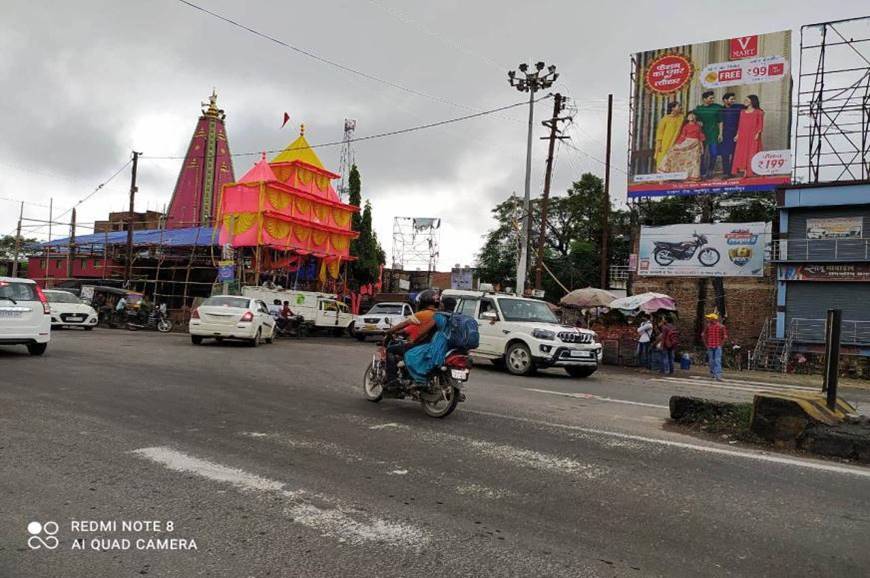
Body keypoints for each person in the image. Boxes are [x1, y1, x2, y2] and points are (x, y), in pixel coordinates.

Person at [383, 290, 440, 387]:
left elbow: (403, 324)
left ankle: (392, 381)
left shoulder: (423, 314)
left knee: (390, 350)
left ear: (422, 302)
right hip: (434, 346)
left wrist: (388, 331)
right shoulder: (441, 315)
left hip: (421, 345)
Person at [658, 112, 704, 180]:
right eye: (689, 115)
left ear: (695, 117)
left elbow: (700, 137)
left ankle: (693, 176)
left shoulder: (698, 126)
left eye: (693, 115)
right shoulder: (686, 126)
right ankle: (667, 170)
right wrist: (677, 144)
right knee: (673, 151)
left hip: (695, 145)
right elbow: (682, 137)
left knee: (695, 160)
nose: (691, 116)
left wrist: (702, 147)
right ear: (687, 118)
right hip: (687, 143)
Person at [731, 95, 764, 177]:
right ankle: (745, 170)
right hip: (743, 135)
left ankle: (751, 171)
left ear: (752, 101)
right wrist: (737, 135)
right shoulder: (742, 112)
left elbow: (760, 124)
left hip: (753, 135)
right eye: (745, 100)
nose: (745, 101)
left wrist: (758, 134)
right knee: (743, 153)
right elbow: (740, 124)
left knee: (752, 152)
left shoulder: (759, 112)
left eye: (747, 100)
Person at [692, 90, 723, 178]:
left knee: (714, 152)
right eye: (710, 98)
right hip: (702, 134)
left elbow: (720, 122)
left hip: (714, 133)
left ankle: (711, 170)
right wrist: (697, 121)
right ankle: (701, 171)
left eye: (713, 98)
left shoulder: (717, 107)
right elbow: (691, 119)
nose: (712, 100)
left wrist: (720, 134)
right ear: (704, 99)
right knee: (701, 153)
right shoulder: (698, 109)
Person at [717, 92, 744, 178]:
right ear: (725, 100)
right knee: (724, 153)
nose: (733, 101)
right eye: (731, 99)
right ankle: (726, 172)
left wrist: (738, 134)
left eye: (734, 99)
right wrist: (720, 134)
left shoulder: (738, 107)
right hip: (724, 134)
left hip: (735, 134)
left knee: (734, 153)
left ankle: (732, 171)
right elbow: (720, 122)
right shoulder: (721, 110)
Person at [654, 102, 684, 170]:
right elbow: (659, 132)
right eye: (678, 106)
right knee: (663, 157)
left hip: (677, 142)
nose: (680, 108)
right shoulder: (665, 118)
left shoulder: (681, 118)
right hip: (665, 142)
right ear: (673, 108)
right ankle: (661, 175)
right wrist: (659, 143)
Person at [701, 312, 729, 381]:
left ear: (713, 319)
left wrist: (720, 345)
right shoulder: (709, 326)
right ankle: (714, 374)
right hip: (711, 346)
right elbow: (703, 335)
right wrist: (706, 344)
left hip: (715, 346)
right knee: (712, 361)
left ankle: (717, 375)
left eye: (710, 318)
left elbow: (725, 337)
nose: (708, 319)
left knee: (716, 361)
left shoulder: (720, 327)